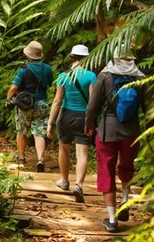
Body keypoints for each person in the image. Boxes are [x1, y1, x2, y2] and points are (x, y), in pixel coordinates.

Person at [84, 45, 145, 232]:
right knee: (127, 165)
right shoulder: (141, 77)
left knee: (106, 169)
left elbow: (93, 105)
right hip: (132, 131)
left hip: (107, 130)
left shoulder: (105, 75)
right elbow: (148, 106)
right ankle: (125, 200)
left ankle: (112, 219)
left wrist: (89, 124)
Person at [47, 45, 96, 203]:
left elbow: (57, 101)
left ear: (71, 57)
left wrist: (50, 123)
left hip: (65, 115)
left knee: (64, 148)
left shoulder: (63, 76)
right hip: (83, 117)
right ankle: (79, 185)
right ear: (87, 58)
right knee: (82, 153)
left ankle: (64, 180)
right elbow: (92, 102)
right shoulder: (91, 76)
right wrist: (92, 120)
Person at [6, 41, 53, 172]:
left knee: (21, 131)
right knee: (39, 133)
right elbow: (49, 85)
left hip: (24, 105)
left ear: (28, 56)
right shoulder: (47, 69)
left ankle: (21, 157)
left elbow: (14, 87)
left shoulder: (23, 70)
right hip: (42, 104)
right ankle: (40, 159)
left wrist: (8, 99)